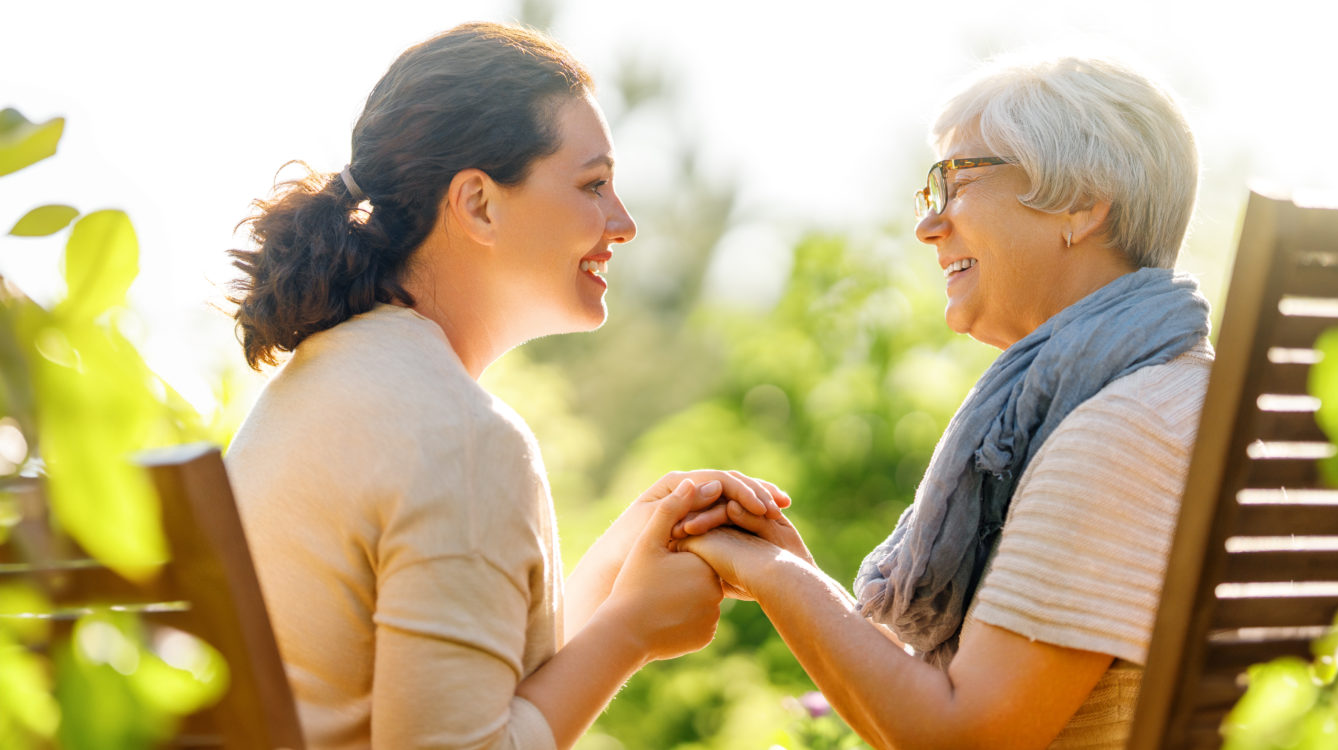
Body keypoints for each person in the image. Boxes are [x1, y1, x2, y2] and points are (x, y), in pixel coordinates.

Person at [224, 22, 788, 750]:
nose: (624, 223)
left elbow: (454, 694)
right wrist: (629, 632)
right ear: (479, 204)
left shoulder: (326, 380)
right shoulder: (461, 439)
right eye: (593, 185)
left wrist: (619, 570)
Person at [675, 54, 1213, 749]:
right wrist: (797, 571)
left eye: (955, 180)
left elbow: (962, 734)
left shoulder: (1122, 431)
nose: (930, 225)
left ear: (1081, 201)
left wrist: (767, 573)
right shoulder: (1183, 400)